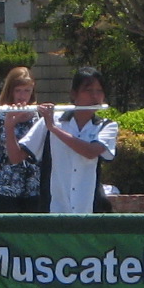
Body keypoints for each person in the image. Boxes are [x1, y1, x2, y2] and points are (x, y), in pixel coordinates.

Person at [22, 68, 119, 216]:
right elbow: (16, 156)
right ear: (74, 94)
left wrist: (54, 129)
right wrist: (10, 124)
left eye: (99, 91)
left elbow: (90, 152)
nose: (95, 96)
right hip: (53, 209)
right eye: (88, 90)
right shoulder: (50, 120)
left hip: (88, 209)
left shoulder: (107, 126)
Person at [0, 67, 45, 214]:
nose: (22, 96)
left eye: (27, 90)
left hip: (33, 188)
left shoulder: (37, 117)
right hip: (1, 186)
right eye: (18, 90)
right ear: (10, 90)